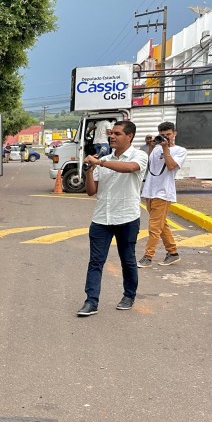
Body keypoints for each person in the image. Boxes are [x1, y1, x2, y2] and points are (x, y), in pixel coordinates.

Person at [77, 120, 148, 316]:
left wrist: (99, 163)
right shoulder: (104, 159)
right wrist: (89, 171)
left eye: (117, 133)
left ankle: (129, 295)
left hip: (127, 218)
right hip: (102, 218)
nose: (112, 137)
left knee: (127, 259)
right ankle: (91, 302)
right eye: (111, 134)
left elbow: (129, 168)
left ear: (129, 136)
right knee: (95, 262)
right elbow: (91, 191)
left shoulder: (139, 156)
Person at [139, 121, 186, 267]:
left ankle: (148, 257)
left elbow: (171, 166)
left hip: (163, 192)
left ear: (174, 134)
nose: (166, 137)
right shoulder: (156, 149)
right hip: (150, 191)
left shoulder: (180, 151)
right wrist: (152, 146)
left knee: (154, 227)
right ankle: (172, 253)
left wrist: (166, 148)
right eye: (163, 135)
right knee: (161, 224)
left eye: (168, 134)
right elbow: (147, 165)